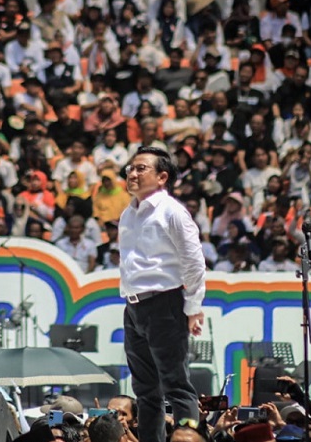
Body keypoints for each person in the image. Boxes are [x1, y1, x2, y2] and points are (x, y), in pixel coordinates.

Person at [118, 147, 205, 442]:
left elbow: (194, 262)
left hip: (165, 303)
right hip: (133, 307)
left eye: (141, 168)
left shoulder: (172, 212)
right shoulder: (128, 214)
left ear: (162, 177)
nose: (132, 173)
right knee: (145, 391)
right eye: (130, 168)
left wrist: (193, 306)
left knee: (176, 386)